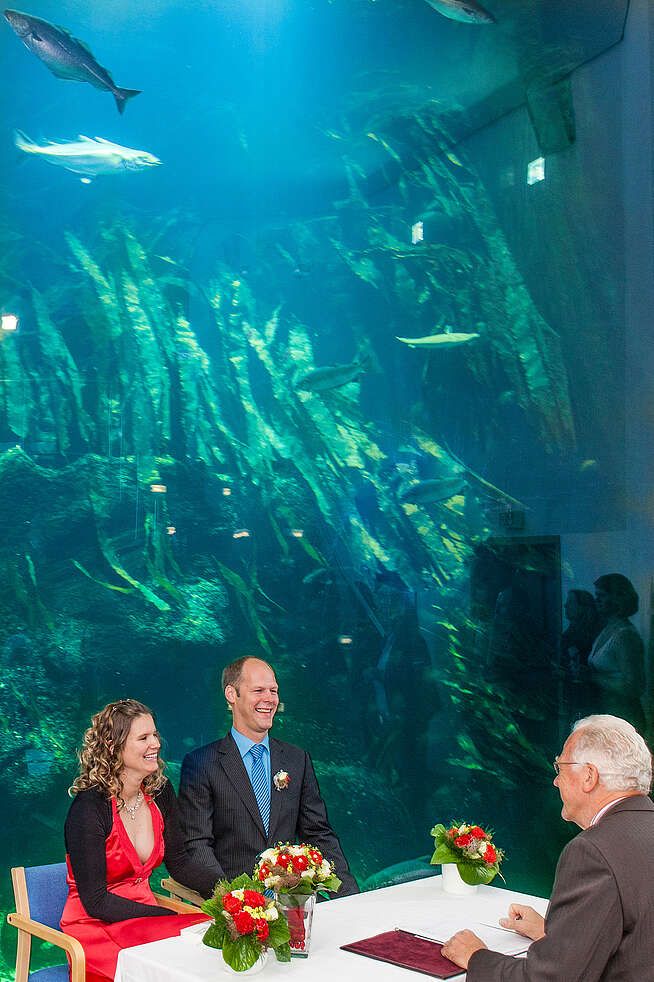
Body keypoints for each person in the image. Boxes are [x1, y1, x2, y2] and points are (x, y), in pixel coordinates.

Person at [441, 714, 654, 980]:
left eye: (560, 768)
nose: (556, 781)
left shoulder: (592, 853)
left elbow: (550, 978)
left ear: (589, 776)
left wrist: (476, 957)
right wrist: (554, 933)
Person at [60, 699, 216, 982]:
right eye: (143, 738)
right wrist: (163, 916)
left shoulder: (160, 791)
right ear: (113, 746)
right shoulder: (88, 809)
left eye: (155, 734)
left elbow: (180, 863)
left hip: (145, 919)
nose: (155, 743)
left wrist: (232, 892)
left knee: (215, 936)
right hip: (96, 928)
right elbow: (96, 902)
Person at [177, 656, 359, 896]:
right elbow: (197, 844)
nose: (270, 699)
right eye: (258, 690)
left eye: (273, 691)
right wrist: (231, 900)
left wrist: (348, 898)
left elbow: (318, 834)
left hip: (293, 902)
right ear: (231, 694)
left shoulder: (297, 759)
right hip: (235, 905)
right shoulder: (201, 764)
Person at [588, 573, 645, 728]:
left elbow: (634, 686)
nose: (596, 600)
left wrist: (592, 677)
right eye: (596, 595)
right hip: (609, 714)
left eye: (601, 596)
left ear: (618, 598)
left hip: (625, 717)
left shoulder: (625, 635)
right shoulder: (608, 629)